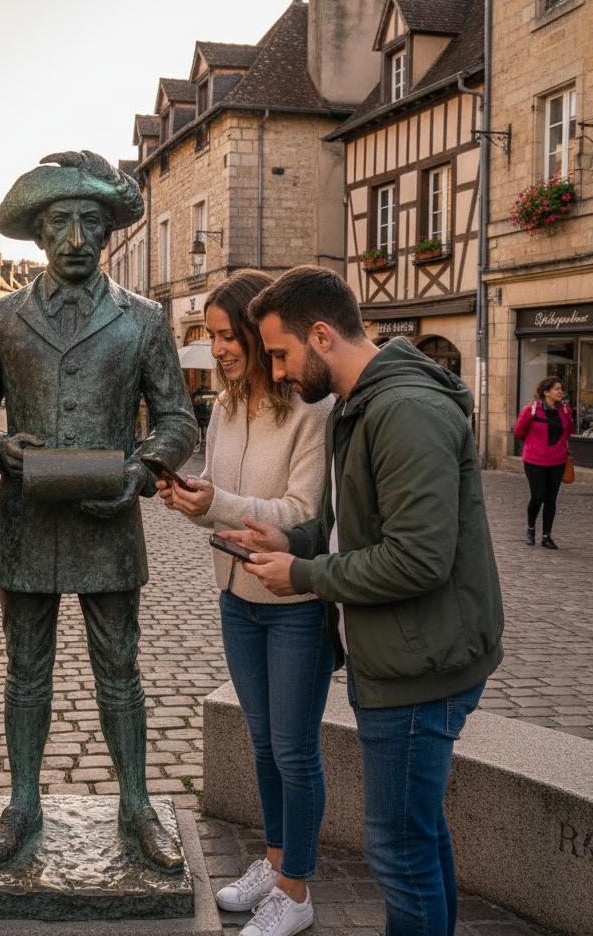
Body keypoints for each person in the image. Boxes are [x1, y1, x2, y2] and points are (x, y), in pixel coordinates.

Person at [221, 266, 503, 936]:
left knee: (398, 852)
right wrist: (291, 538)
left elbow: (417, 558)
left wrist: (305, 574)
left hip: (420, 664)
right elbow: (348, 526)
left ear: (322, 335)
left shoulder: (403, 411)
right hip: (402, 655)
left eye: (281, 354)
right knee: (419, 837)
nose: (277, 372)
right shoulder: (363, 404)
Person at [0, 150, 197, 872]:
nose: (77, 239)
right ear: (39, 233)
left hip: (107, 521)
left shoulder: (143, 320)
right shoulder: (2, 318)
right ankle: (23, 803)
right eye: (61, 222)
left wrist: (144, 469)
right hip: (26, 522)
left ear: (110, 231)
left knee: (120, 668)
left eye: (91, 222)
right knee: (25, 669)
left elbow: (178, 420)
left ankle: (137, 805)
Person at [157, 270, 332, 936]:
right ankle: (276, 859)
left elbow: (303, 513)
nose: (220, 348)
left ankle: (296, 891)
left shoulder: (310, 411)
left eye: (229, 336)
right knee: (261, 743)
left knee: (294, 750)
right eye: (213, 336)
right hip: (236, 595)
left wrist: (219, 502)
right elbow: (221, 496)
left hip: (294, 601)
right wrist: (190, 496)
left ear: (261, 337)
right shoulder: (225, 407)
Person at [514, 375, 573, 549]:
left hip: (558, 460)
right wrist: (535, 445)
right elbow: (519, 431)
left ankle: (547, 536)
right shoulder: (531, 409)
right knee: (537, 496)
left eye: (561, 389)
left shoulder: (566, 410)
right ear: (546, 392)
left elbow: (568, 431)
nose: (561, 392)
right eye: (557, 389)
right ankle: (531, 529)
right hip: (535, 460)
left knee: (551, 499)